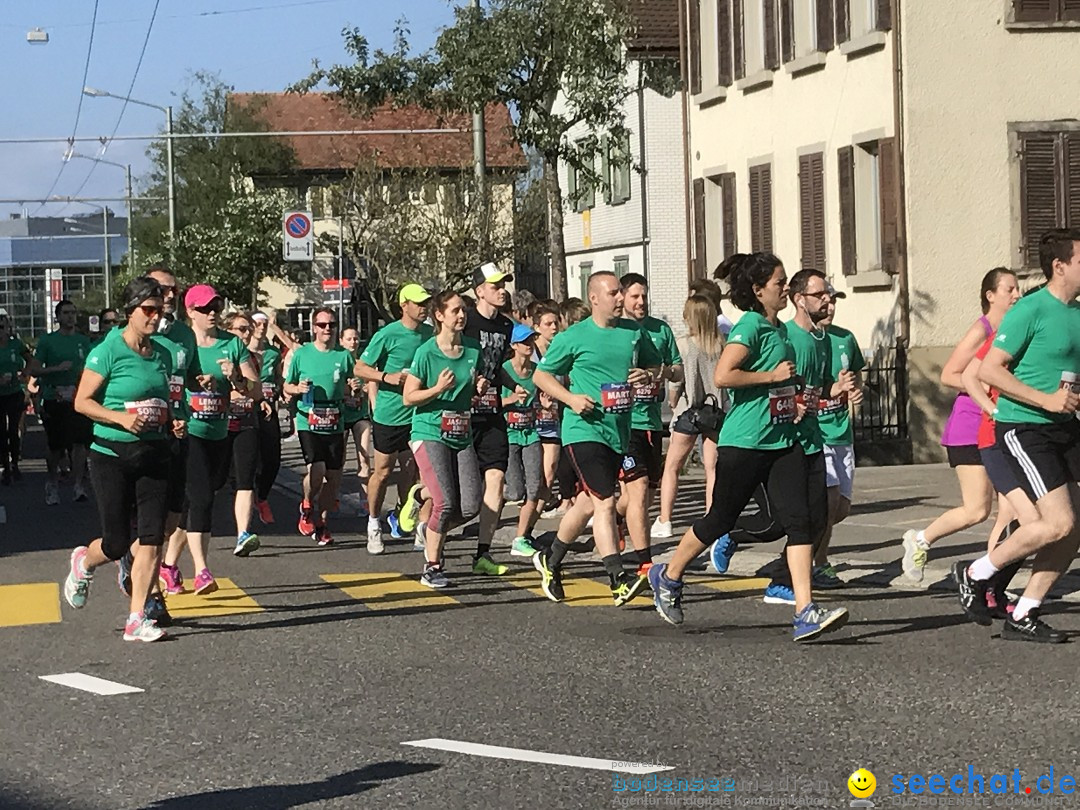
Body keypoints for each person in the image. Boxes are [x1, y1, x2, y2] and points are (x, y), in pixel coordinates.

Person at [647, 253, 849, 642]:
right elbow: (724, 375)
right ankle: (668, 574)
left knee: (800, 522)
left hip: (782, 440)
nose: (785, 288)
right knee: (720, 519)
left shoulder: (783, 332)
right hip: (745, 442)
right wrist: (770, 375)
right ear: (758, 292)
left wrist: (798, 401)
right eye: (779, 283)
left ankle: (805, 611)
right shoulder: (750, 327)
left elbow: (780, 387)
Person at [956, 229, 1080, 642]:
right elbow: (990, 370)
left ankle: (1024, 611)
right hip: (1025, 427)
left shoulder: (1077, 312)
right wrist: (1045, 400)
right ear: (1059, 266)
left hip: (1065, 427)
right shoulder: (1030, 309)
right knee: (1057, 523)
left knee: (1074, 527)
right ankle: (976, 572)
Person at [62, 277, 184, 642]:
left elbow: (164, 397)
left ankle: (136, 619)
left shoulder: (161, 352)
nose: (154, 318)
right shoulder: (107, 350)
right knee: (116, 543)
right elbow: (82, 402)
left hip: (154, 452)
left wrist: (172, 417)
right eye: (148, 311)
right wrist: (121, 419)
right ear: (129, 311)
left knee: (151, 539)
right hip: (111, 455)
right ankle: (84, 562)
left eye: (159, 311)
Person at [531, 271, 662, 605]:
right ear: (595, 298)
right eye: (614, 293)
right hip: (583, 428)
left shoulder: (633, 332)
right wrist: (571, 399)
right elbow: (541, 375)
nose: (621, 299)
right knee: (605, 501)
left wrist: (648, 373)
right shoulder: (574, 336)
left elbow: (659, 365)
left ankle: (551, 557)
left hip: (618, 428)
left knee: (588, 503)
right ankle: (618, 578)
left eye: (622, 293)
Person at [901, 268, 1020, 582]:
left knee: (1010, 510)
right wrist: (988, 385)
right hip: (970, 425)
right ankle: (921, 539)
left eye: (1017, 288)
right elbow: (949, 374)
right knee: (977, 510)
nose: (1016, 294)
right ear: (990, 295)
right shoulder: (981, 329)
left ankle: (990, 578)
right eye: (1009, 289)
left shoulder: (1015, 328)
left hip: (999, 424)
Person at [162, 285, 260, 594]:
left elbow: (255, 392)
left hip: (220, 431)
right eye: (205, 308)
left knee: (194, 504)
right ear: (190, 311)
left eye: (216, 306)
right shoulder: (180, 344)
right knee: (202, 498)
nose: (212, 313)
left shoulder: (232, 344)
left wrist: (235, 377)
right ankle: (202, 570)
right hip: (189, 432)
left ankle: (167, 565)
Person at [402, 291, 485, 588]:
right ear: (439, 315)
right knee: (446, 502)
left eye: (463, 310)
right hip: (428, 430)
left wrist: (478, 386)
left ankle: (421, 502)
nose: (461, 316)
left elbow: (467, 387)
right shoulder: (427, 352)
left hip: (460, 432)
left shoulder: (474, 350)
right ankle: (432, 565)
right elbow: (409, 396)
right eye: (455, 311)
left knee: (471, 505)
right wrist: (436, 389)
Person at [355, 283, 434, 554]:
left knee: (418, 471)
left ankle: (415, 523)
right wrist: (386, 377)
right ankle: (374, 522)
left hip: (420, 414)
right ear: (404, 306)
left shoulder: (430, 334)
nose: (424, 308)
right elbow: (360, 367)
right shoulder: (387, 334)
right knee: (384, 471)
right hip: (390, 414)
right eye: (418, 303)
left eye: (426, 303)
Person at [615, 273, 682, 575]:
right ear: (622, 298)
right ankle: (644, 560)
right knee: (638, 489)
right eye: (634, 297)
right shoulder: (617, 331)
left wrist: (661, 373)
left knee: (640, 496)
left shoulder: (660, 330)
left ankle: (615, 517)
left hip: (652, 424)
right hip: (626, 423)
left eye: (644, 296)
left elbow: (678, 371)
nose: (641, 302)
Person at [462, 262, 521, 575]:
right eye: (495, 286)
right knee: (459, 495)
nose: (502, 291)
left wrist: (517, 386)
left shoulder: (506, 326)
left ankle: (482, 553)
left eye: (504, 285)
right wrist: (469, 383)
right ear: (479, 291)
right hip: (460, 414)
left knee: (496, 478)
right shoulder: (464, 320)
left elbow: (496, 367)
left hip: (492, 412)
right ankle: (419, 500)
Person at [653, 294, 724, 538]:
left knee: (672, 466)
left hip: (689, 411)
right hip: (715, 412)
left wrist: (673, 402)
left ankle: (665, 519)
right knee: (712, 468)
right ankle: (710, 517)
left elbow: (677, 384)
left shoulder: (683, 345)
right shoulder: (720, 344)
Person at [283, 307, 355, 547]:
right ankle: (306, 503)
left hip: (335, 420)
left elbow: (352, 386)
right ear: (314, 327)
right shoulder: (302, 354)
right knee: (317, 469)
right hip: (308, 418)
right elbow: (287, 386)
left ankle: (322, 523)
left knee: (333, 478)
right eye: (323, 325)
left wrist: (355, 387)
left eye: (332, 325)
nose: (327, 329)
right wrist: (298, 389)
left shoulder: (344, 356)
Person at [811, 286, 866, 588]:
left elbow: (855, 377)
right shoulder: (804, 340)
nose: (830, 307)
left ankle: (806, 551)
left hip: (841, 432)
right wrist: (830, 390)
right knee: (829, 501)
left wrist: (854, 392)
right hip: (817, 434)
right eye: (825, 301)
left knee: (840, 509)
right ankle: (819, 563)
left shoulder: (845, 338)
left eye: (833, 302)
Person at [34, 299, 93, 504]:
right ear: (58, 317)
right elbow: (33, 370)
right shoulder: (47, 341)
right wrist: (56, 369)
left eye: (73, 313)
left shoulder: (83, 341)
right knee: (56, 447)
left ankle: (78, 485)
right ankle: (52, 483)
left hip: (79, 398)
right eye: (66, 313)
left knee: (79, 444)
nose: (71, 317)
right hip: (55, 398)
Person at [224, 311, 271, 556]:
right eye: (241, 329)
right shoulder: (217, 353)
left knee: (245, 481)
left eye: (248, 329)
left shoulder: (253, 358)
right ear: (228, 330)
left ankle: (243, 533)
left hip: (245, 420)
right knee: (209, 483)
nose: (246, 333)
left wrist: (256, 396)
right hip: (218, 422)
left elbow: (256, 387)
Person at [502, 323, 547, 556]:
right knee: (515, 491)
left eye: (531, 341)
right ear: (513, 346)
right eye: (524, 342)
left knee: (535, 488)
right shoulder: (504, 371)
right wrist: (510, 399)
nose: (529, 346)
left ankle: (520, 538)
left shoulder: (537, 370)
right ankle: (492, 492)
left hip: (531, 434)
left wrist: (545, 403)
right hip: (508, 435)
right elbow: (490, 403)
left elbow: (542, 396)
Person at [248, 311, 284, 524]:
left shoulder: (272, 353)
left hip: (270, 410)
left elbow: (279, 379)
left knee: (273, 459)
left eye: (264, 324)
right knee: (250, 458)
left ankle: (262, 497)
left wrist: (283, 391)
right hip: (247, 410)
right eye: (257, 324)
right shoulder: (243, 351)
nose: (261, 328)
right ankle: (246, 496)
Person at [530, 302, 564, 516]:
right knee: (534, 477)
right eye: (548, 323)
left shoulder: (560, 350)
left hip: (552, 419)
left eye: (556, 323)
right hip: (529, 421)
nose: (553, 328)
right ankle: (524, 525)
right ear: (536, 327)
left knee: (549, 471)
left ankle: (532, 522)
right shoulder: (528, 351)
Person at [0, 314, 32, 484]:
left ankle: (14, 464)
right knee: (1, 432)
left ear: (7, 328)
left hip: (14, 393)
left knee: (13, 429)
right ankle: (5, 465)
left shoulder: (15, 344)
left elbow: (31, 360)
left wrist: (25, 372)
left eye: (2, 327)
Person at [340, 327, 373, 482]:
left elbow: (372, 387)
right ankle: (333, 498)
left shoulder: (364, 364)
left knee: (365, 457)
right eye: (349, 339)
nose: (353, 342)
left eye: (355, 339)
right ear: (341, 341)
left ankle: (365, 502)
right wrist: (346, 389)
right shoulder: (337, 363)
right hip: (341, 416)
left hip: (360, 414)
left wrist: (366, 389)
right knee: (338, 462)